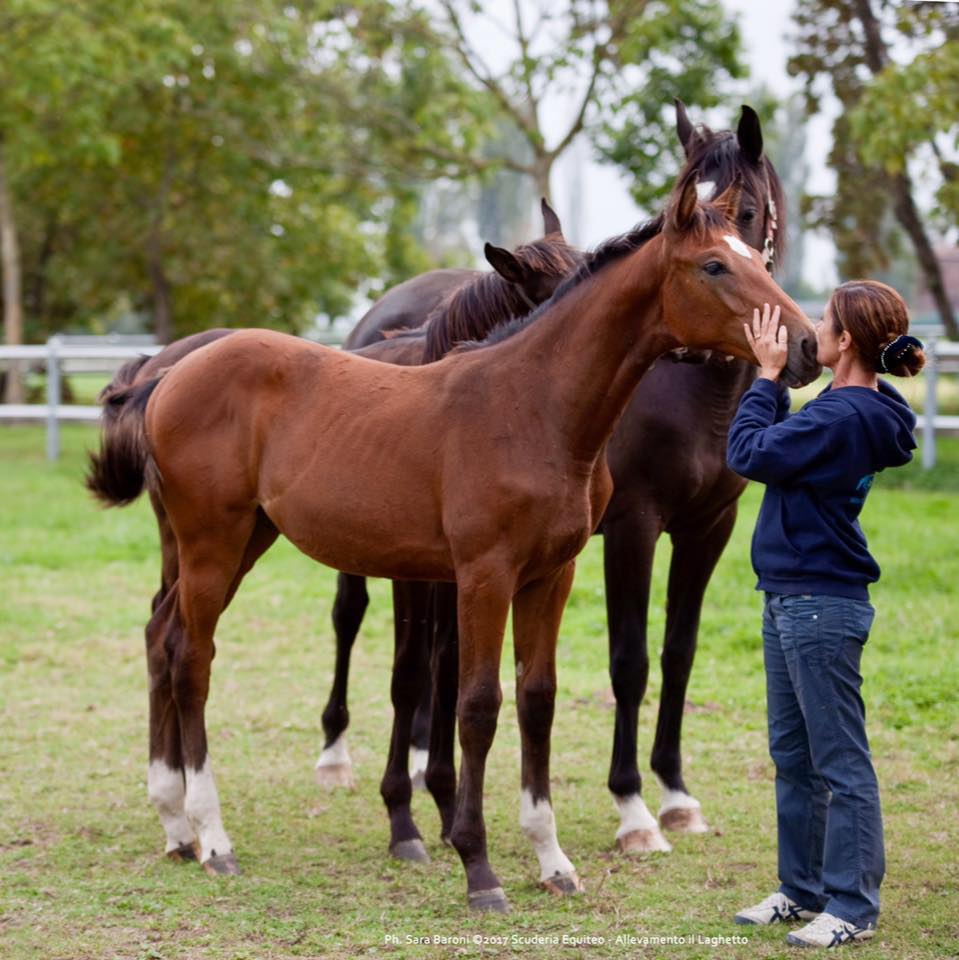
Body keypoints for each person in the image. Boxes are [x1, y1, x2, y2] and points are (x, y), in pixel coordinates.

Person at [725, 280, 925, 949]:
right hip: (790, 595)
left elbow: (747, 453)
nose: (812, 325)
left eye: (823, 320)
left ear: (844, 342)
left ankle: (851, 907)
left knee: (837, 761)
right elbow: (809, 428)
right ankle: (800, 889)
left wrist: (765, 376)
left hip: (819, 605)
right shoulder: (857, 406)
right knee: (793, 755)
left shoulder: (840, 418)